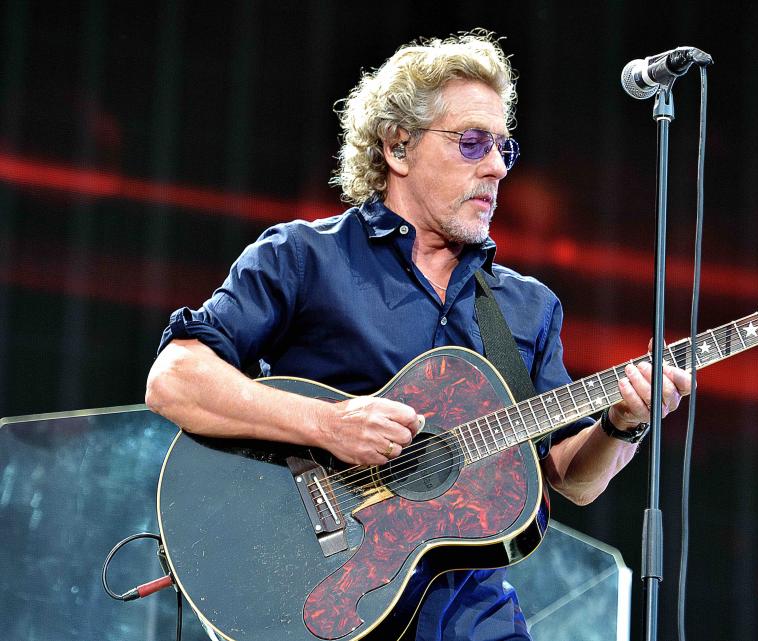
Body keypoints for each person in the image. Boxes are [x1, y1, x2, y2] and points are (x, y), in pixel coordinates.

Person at [146, 30, 691, 641]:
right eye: (472, 142)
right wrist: (328, 425)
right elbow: (175, 380)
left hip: (471, 616)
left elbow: (571, 478)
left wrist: (624, 424)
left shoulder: (526, 308)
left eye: (504, 148)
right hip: (330, 603)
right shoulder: (303, 257)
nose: (495, 166)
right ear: (399, 147)